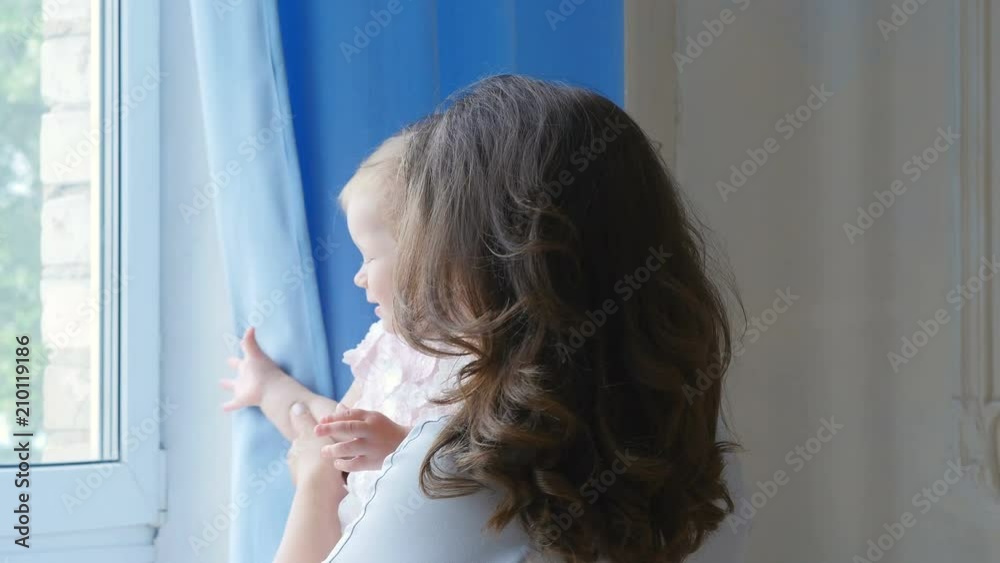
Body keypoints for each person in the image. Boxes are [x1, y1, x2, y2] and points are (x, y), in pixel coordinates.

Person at [283, 74, 748, 562]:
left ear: (491, 265)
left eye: (433, 242)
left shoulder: (451, 482)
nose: (424, 275)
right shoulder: (697, 453)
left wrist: (315, 484)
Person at [220, 124, 468, 539]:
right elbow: (330, 429)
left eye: (369, 257)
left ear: (427, 256)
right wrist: (270, 388)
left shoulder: (475, 358)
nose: (359, 277)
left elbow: (480, 472)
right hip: (353, 536)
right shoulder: (388, 346)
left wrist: (402, 446)